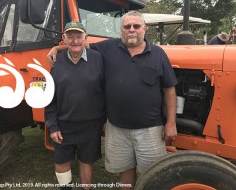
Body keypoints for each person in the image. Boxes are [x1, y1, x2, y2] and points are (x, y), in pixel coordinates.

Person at [47, 11, 177, 190]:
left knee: (153, 173)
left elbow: (169, 89)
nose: (132, 30)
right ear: (121, 30)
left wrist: (171, 122)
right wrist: (58, 48)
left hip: (149, 128)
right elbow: (79, 45)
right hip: (117, 127)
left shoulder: (158, 54)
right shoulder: (108, 48)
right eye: (127, 26)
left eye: (136, 26)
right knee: (125, 168)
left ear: (144, 29)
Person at [44, 21, 105, 190]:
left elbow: (105, 91)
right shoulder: (56, 63)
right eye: (70, 37)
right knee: (62, 161)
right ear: (64, 39)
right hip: (63, 125)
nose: (75, 41)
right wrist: (53, 126)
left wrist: (105, 121)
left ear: (85, 38)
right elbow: (50, 97)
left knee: (86, 161)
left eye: (79, 36)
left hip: (91, 124)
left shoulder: (98, 59)